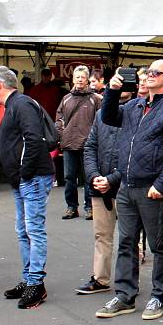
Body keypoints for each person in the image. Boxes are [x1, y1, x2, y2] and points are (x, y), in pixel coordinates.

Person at [95, 60, 163, 321]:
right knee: (126, 242)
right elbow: (108, 117)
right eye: (148, 72)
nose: (149, 75)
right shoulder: (136, 105)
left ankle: (158, 295)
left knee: (158, 244)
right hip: (127, 185)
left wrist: (161, 184)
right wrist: (112, 91)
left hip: (153, 188)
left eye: (156, 73)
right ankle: (125, 295)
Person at [0, 66, 56, 309]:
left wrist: (24, 172)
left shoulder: (21, 104)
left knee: (32, 230)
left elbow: (32, 138)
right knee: (24, 230)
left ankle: (35, 283)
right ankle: (30, 278)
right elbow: (20, 141)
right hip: (25, 177)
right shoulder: (15, 105)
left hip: (32, 177)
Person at [75, 89, 131, 295]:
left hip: (125, 186)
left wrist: (112, 178)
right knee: (102, 235)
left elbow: (135, 154)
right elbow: (90, 146)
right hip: (100, 186)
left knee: (129, 238)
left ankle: (128, 281)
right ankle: (100, 279)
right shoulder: (100, 116)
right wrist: (93, 176)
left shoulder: (134, 115)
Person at [56, 65, 102, 220]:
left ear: (87, 79)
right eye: (77, 77)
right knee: (69, 177)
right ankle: (71, 207)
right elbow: (59, 118)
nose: (80, 80)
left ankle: (90, 207)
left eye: (83, 77)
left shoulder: (95, 99)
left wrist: (94, 138)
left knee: (89, 177)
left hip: (88, 145)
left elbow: (101, 121)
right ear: (73, 79)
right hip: (69, 143)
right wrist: (62, 134)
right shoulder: (66, 99)